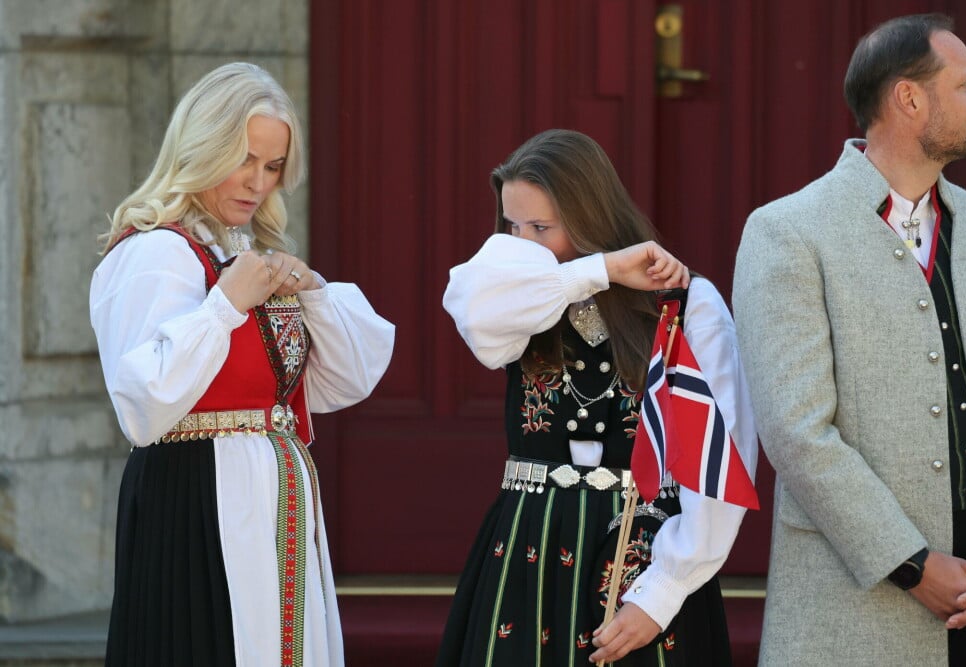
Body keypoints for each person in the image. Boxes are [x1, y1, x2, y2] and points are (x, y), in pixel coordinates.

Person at [732, 14, 966, 667]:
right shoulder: (787, 232)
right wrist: (914, 564)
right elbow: (797, 431)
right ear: (909, 98)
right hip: (857, 623)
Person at [90, 62, 395, 667]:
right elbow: (143, 402)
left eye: (273, 166)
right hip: (195, 496)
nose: (258, 182)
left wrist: (310, 290)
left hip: (268, 498)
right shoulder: (157, 252)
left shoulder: (243, 252)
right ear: (202, 148)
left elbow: (342, 381)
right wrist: (226, 303)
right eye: (244, 159)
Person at [439, 128, 757, 666]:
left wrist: (662, 594)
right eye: (513, 228)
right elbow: (472, 309)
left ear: (592, 214)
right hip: (528, 548)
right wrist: (600, 270)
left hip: (643, 552)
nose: (525, 246)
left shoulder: (686, 305)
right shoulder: (521, 300)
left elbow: (718, 463)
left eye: (542, 227)